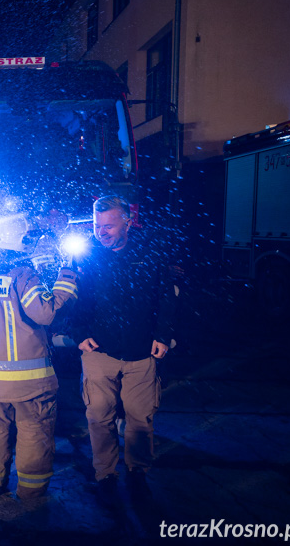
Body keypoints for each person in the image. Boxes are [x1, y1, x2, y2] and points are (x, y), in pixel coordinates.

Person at [71, 195, 177, 505]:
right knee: (99, 416)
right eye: (96, 225)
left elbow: (167, 297)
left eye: (108, 225)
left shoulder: (151, 253)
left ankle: (137, 473)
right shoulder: (88, 257)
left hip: (141, 352)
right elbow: (76, 299)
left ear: (127, 222)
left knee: (139, 419)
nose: (100, 231)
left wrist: (163, 335)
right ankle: (106, 474)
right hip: (99, 353)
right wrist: (78, 333)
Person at [0, 215, 79, 501]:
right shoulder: (22, 275)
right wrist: (66, 277)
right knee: (34, 432)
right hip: (27, 383)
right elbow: (45, 312)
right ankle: (31, 495)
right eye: (30, 240)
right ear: (21, 243)